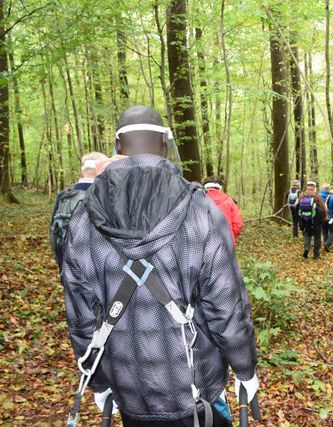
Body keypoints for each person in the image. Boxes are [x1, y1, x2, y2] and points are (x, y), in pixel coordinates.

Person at [61, 106, 258, 427]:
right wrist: (245, 369)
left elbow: (82, 318)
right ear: (165, 145)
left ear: (118, 146)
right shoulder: (202, 211)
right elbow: (227, 309)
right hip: (195, 386)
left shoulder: (83, 218)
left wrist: (98, 382)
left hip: (128, 387)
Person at [50, 152, 108, 269]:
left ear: (82, 170)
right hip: (102, 275)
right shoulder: (108, 196)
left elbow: (54, 235)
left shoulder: (64, 196)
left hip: (69, 272)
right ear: (102, 170)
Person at [203, 177, 243, 247]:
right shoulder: (229, 201)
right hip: (227, 244)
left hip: (204, 246)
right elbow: (238, 224)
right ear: (220, 187)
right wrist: (230, 237)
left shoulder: (197, 201)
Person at [298, 181, 328, 259]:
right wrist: (325, 217)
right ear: (314, 187)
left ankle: (306, 248)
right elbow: (323, 207)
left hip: (305, 219)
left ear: (307, 186)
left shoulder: (302, 195)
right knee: (317, 236)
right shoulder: (317, 196)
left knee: (307, 234)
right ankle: (316, 255)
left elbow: (298, 206)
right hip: (316, 220)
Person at [318, 183, 333, 252]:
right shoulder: (332, 197)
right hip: (330, 217)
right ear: (328, 189)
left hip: (320, 217)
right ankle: (327, 244)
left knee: (324, 231)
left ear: (322, 189)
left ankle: (325, 245)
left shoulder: (317, 196)